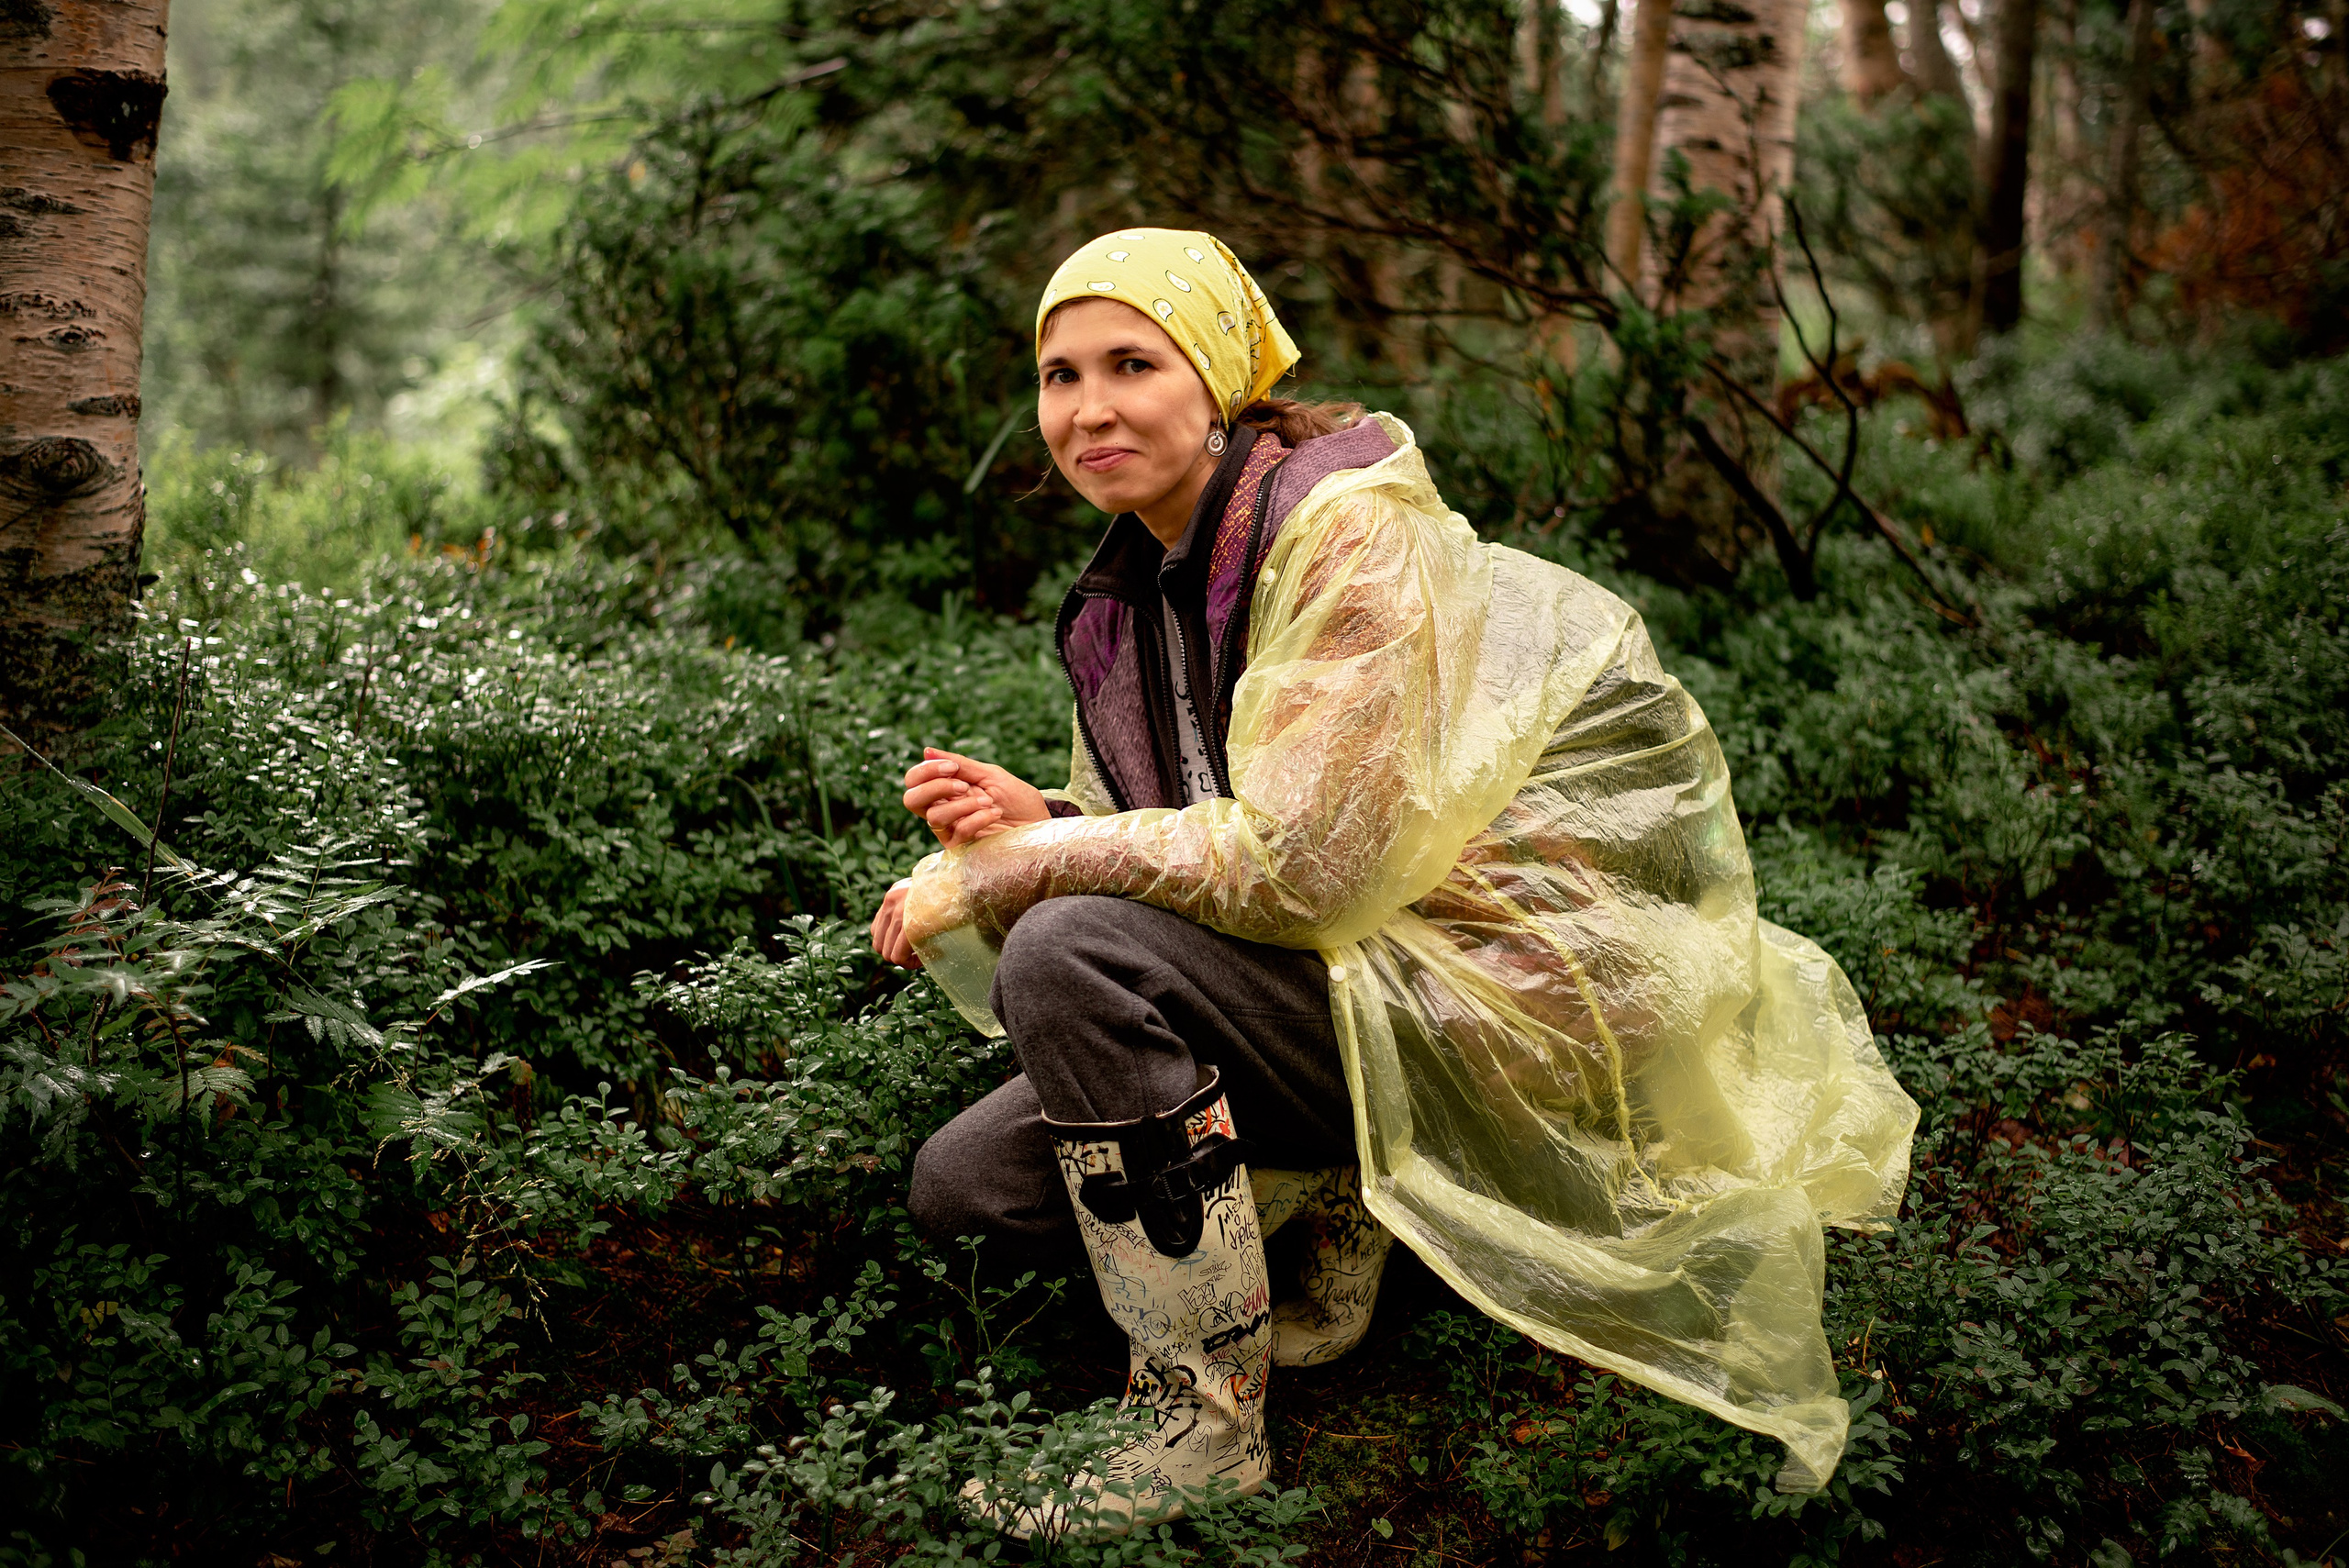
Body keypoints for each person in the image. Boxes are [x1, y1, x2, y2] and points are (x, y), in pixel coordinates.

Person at [868, 228, 1918, 1536]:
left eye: (1132, 363)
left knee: (1064, 946)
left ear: (1219, 380)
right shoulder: (1133, 578)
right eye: (1058, 375)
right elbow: (1180, 827)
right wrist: (1050, 820)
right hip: (1329, 974)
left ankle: (1202, 1417)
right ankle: (1338, 1193)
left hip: (1483, 994)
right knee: (967, 1191)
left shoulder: (1343, 536)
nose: (1088, 409)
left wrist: (1034, 865)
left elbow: (1305, 865)